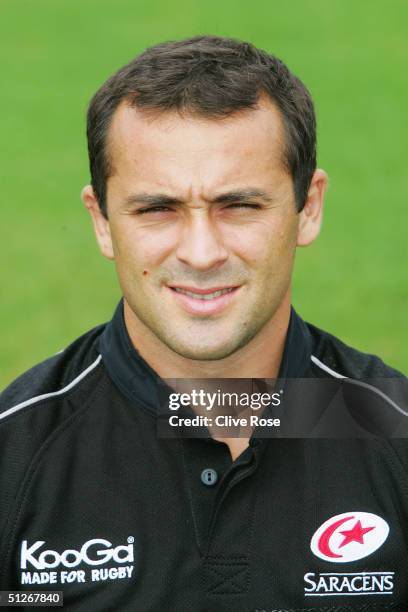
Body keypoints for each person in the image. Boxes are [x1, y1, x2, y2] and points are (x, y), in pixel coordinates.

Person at [0, 35, 407, 610]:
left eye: (238, 205)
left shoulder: (395, 434)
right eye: (156, 208)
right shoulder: (14, 455)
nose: (200, 252)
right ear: (101, 221)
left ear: (307, 207)